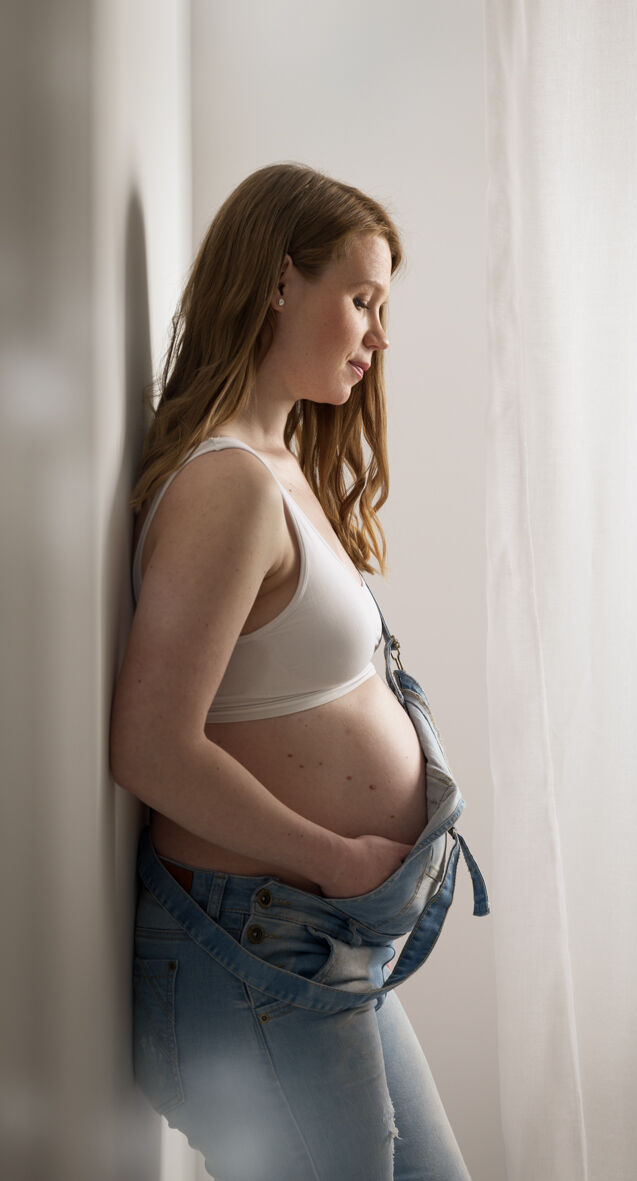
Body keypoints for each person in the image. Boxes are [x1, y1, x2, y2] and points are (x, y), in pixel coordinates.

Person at [110, 162, 489, 1181]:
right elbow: (151, 744)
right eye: (362, 299)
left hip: (307, 940)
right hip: (254, 945)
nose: (379, 334)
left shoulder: (281, 464)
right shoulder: (226, 483)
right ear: (280, 282)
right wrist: (331, 854)